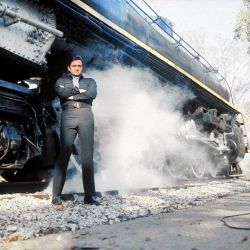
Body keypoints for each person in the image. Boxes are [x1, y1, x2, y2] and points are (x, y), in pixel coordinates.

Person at [52, 55, 100, 205]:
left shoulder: (90, 81)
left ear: (82, 67)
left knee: (87, 157)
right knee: (64, 154)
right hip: (68, 116)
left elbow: (92, 94)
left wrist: (71, 94)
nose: (77, 68)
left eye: (79, 66)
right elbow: (61, 93)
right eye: (74, 66)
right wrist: (80, 93)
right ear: (69, 68)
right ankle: (56, 196)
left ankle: (90, 196)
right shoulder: (61, 81)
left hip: (86, 116)